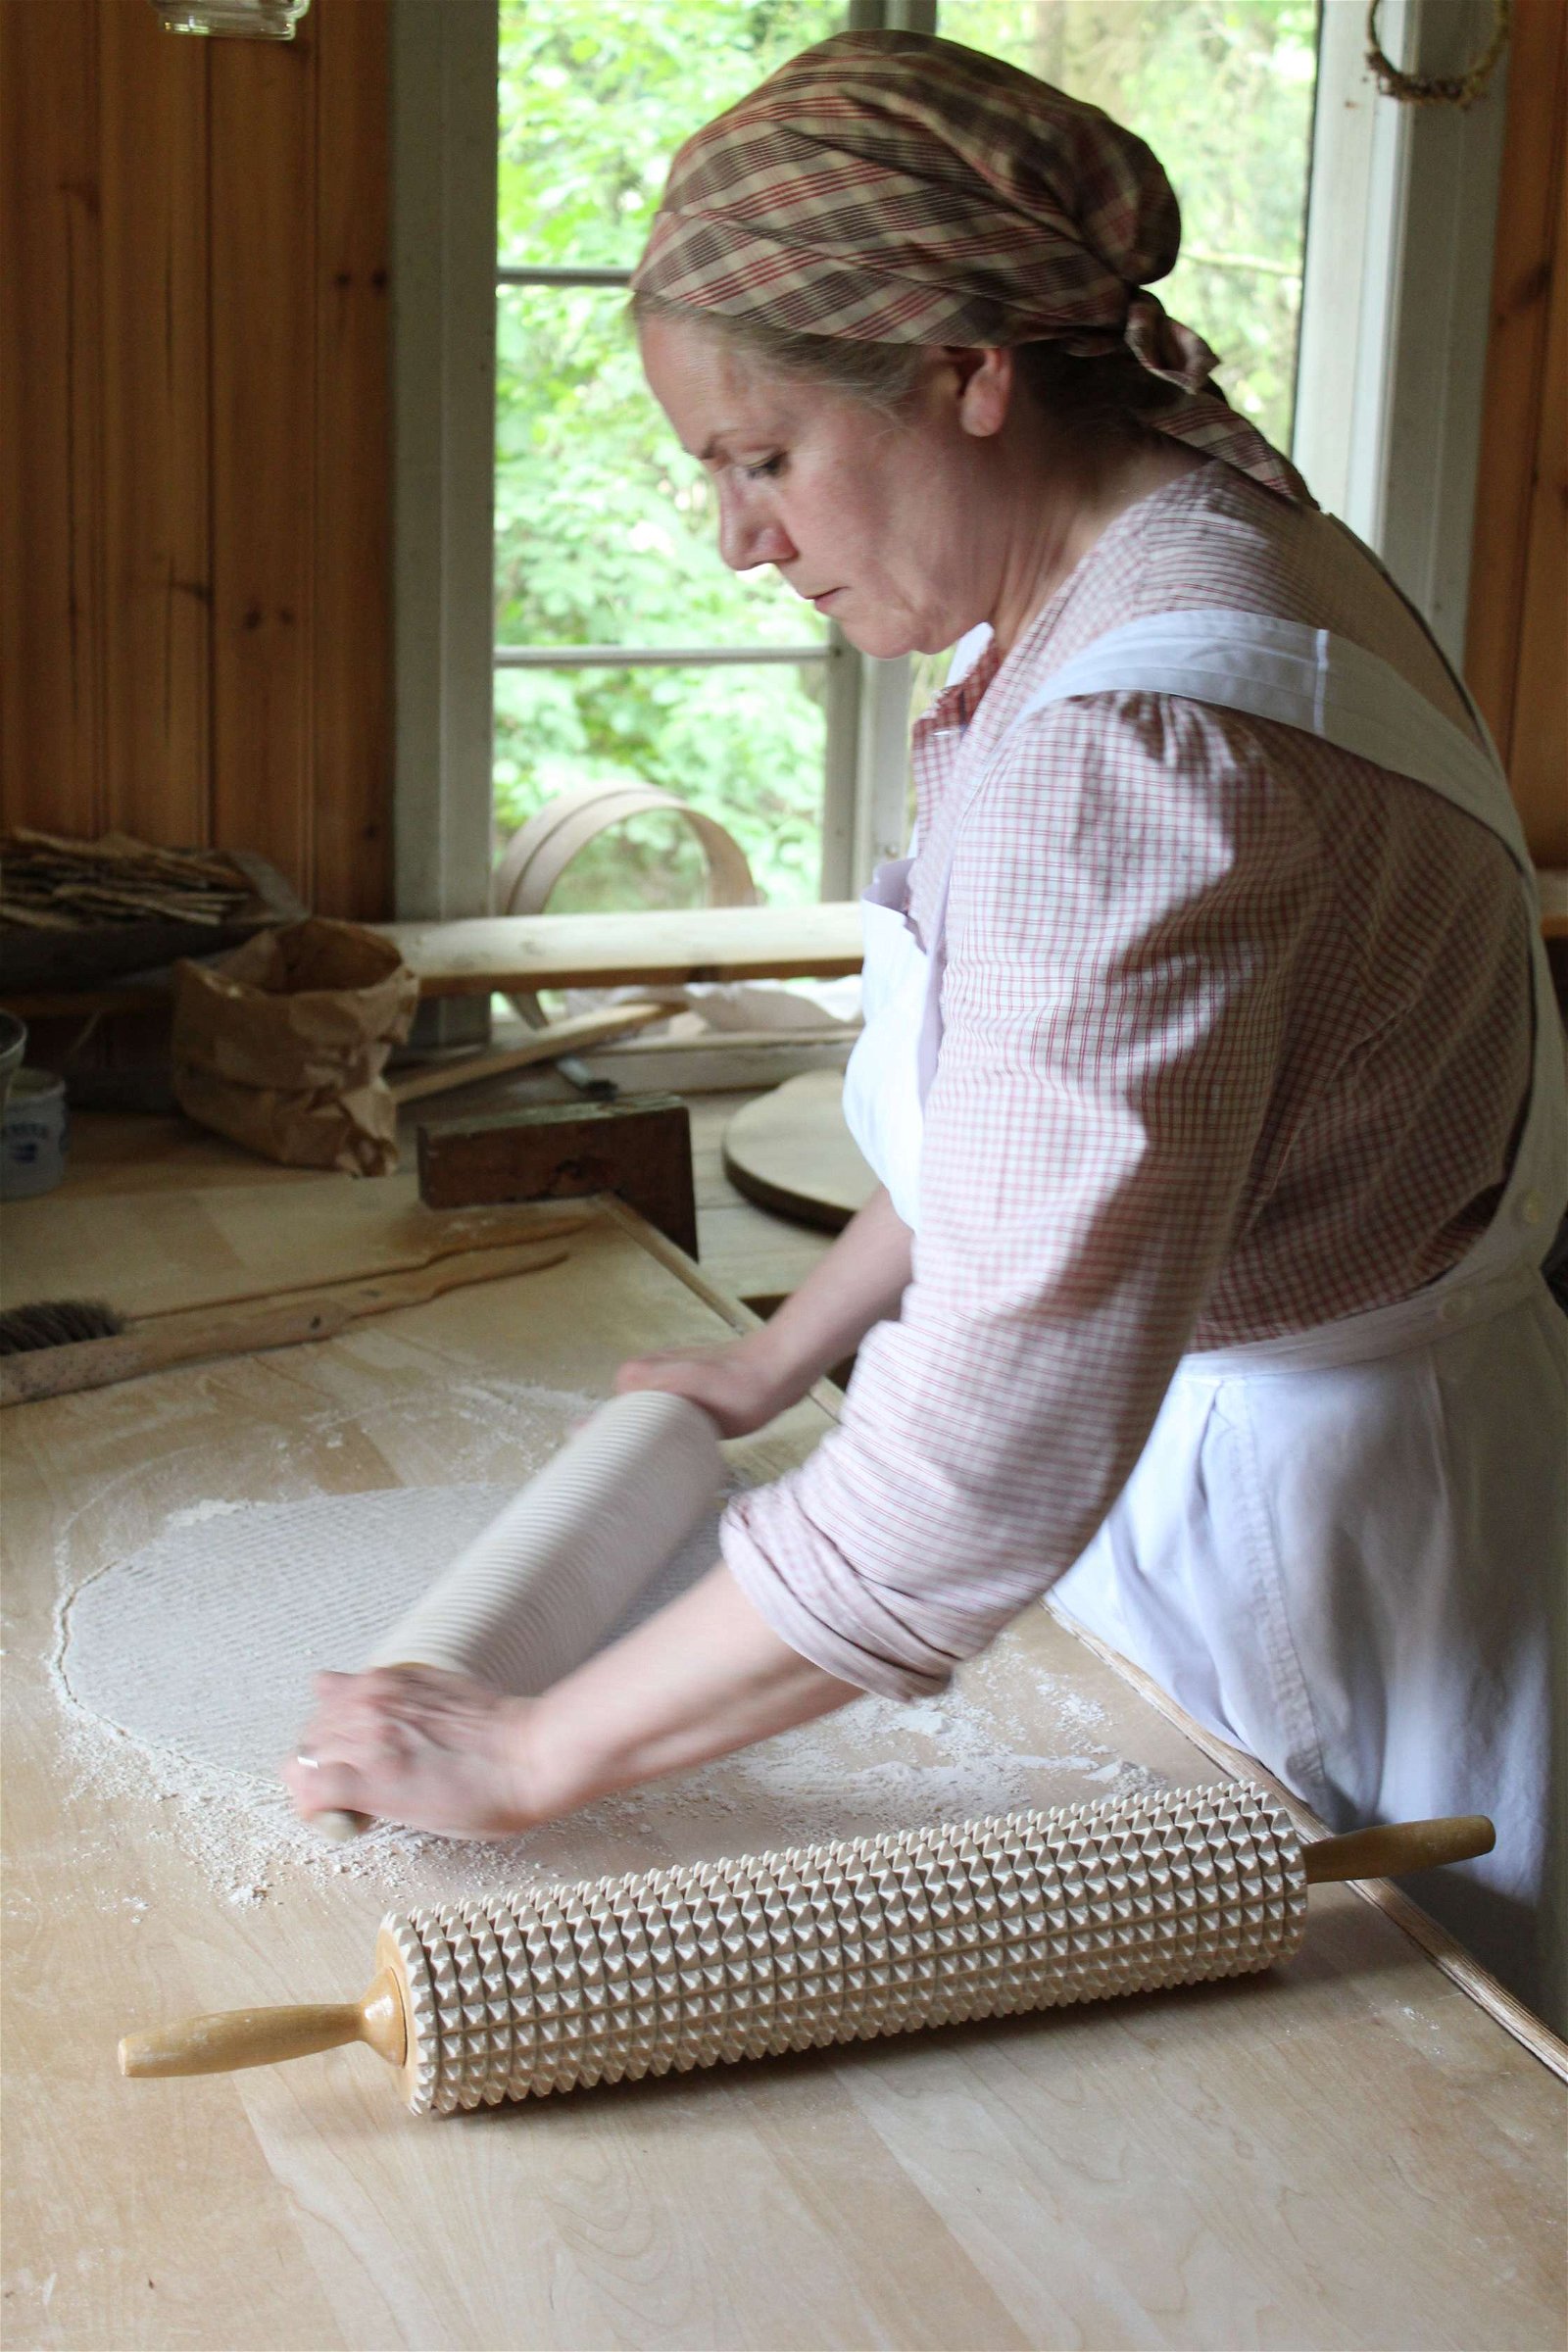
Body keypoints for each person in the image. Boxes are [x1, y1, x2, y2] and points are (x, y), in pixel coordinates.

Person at [287, 30, 1566, 2028]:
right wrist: (783, 1350)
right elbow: (1052, 1129)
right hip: (1272, 1467)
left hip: (1309, 1566)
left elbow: (977, 1467)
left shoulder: (1138, 747)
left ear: (969, 372)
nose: (736, 539)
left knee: (1377, 2091)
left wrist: (532, 1752)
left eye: (762, 457)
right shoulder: (1188, 549)